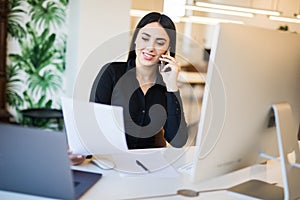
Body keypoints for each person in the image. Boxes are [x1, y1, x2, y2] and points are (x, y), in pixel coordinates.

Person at [70, 12, 188, 165]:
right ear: (136, 40)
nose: (150, 48)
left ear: (168, 49)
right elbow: (94, 127)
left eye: (160, 42)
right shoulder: (111, 73)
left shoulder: (166, 85)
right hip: (113, 163)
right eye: (145, 38)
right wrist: (80, 155)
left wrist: (172, 86)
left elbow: (178, 141)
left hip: (152, 166)